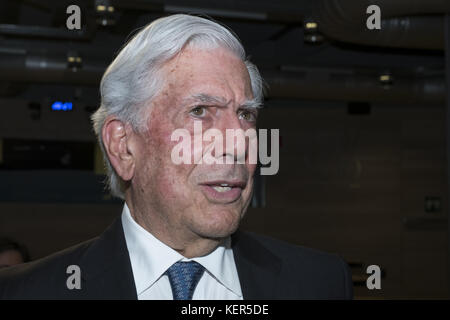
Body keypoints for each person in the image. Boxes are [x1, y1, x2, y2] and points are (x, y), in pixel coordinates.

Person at [0, 14, 353, 300]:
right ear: (123, 145)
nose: (239, 141)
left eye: (246, 115)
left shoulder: (318, 284)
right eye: (200, 110)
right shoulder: (26, 292)